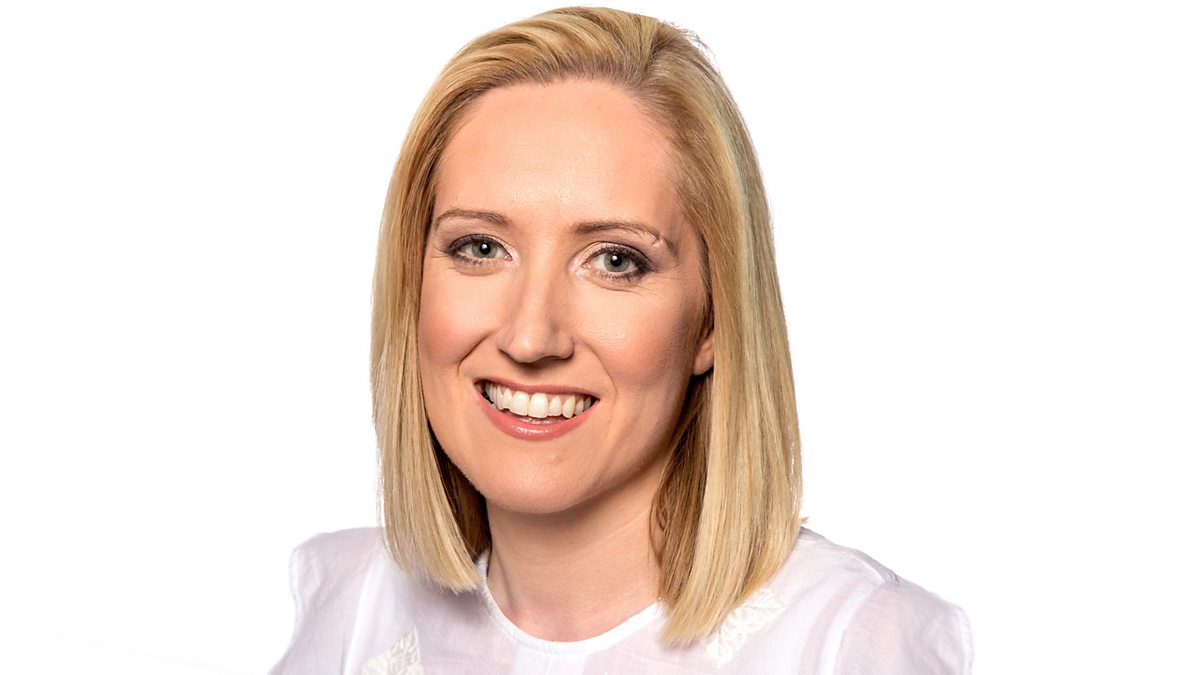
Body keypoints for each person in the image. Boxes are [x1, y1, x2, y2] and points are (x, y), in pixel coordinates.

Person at [270, 7, 972, 674]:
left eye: (614, 260)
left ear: (712, 319)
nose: (530, 336)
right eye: (481, 247)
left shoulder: (851, 644)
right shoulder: (350, 612)